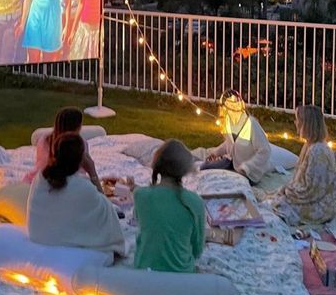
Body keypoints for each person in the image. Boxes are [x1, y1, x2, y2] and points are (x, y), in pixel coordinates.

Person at [26, 133, 125, 257]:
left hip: (39, 237)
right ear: (81, 159)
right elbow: (107, 211)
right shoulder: (83, 187)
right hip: (61, 244)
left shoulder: (40, 179)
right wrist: (92, 171)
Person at [133, 140, 205, 273]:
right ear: (184, 170)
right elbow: (197, 249)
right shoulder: (195, 202)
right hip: (181, 275)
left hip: (144, 273)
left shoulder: (140, 196)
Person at [267, 105, 336, 225]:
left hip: (321, 204)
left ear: (307, 124)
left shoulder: (318, 151)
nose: (295, 123)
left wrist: (288, 191)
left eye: (298, 120)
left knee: (277, 206)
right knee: (274, 200)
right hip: (312, 196)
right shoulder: (309, 145)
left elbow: (312, 191)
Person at [200, 89, 272, 184]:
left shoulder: (251, 124)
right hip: (233, 163)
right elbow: (229, 144)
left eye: (235, 103)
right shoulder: (228, 123)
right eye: (229, 104)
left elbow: (265, 150)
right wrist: (216, 152)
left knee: (228, 183)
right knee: (204, 168)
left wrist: (247, 167)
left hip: (249, 174)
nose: (233, 106)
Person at [23, 107, 102, 191]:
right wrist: (93, 174)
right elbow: (79, 171)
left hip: (37, 181)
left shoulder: (43, 140)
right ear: (76, 127)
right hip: (66, 185)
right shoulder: (79, 145)